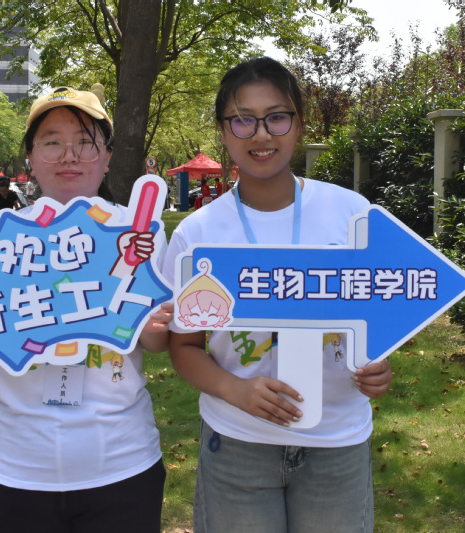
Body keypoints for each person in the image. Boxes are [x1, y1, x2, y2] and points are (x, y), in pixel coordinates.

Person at [0, 87, 172, 532]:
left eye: (86, 142)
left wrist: (154, 321)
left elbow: (155, 343)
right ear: (31, 158)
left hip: (123, 463)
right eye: (52, 142)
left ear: (107, 156)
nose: (69, 155)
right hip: (18, 469)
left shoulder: (137, 233)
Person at [162, 57, 394, 533]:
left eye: (276, 117)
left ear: (299, 124)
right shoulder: (197, 233)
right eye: (242, 120)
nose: (261, 134)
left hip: (337, 442)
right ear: (224, 132)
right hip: (237, 444)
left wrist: (380, 365)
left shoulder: (351, 213)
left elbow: (379, 314)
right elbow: (183, 346)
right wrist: (236, 390)